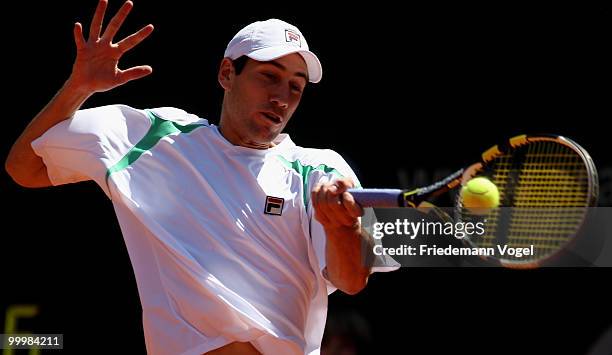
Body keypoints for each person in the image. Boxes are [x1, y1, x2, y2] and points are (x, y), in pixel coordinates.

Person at [5, 1, 388, 354]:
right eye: (269, 76)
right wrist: (79, 88)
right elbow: (24, 168)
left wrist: (341, 229)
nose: (281, 97)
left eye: (295, 87)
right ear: (226, 74)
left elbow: (352, 280)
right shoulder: (150, 137)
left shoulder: (321, 171)